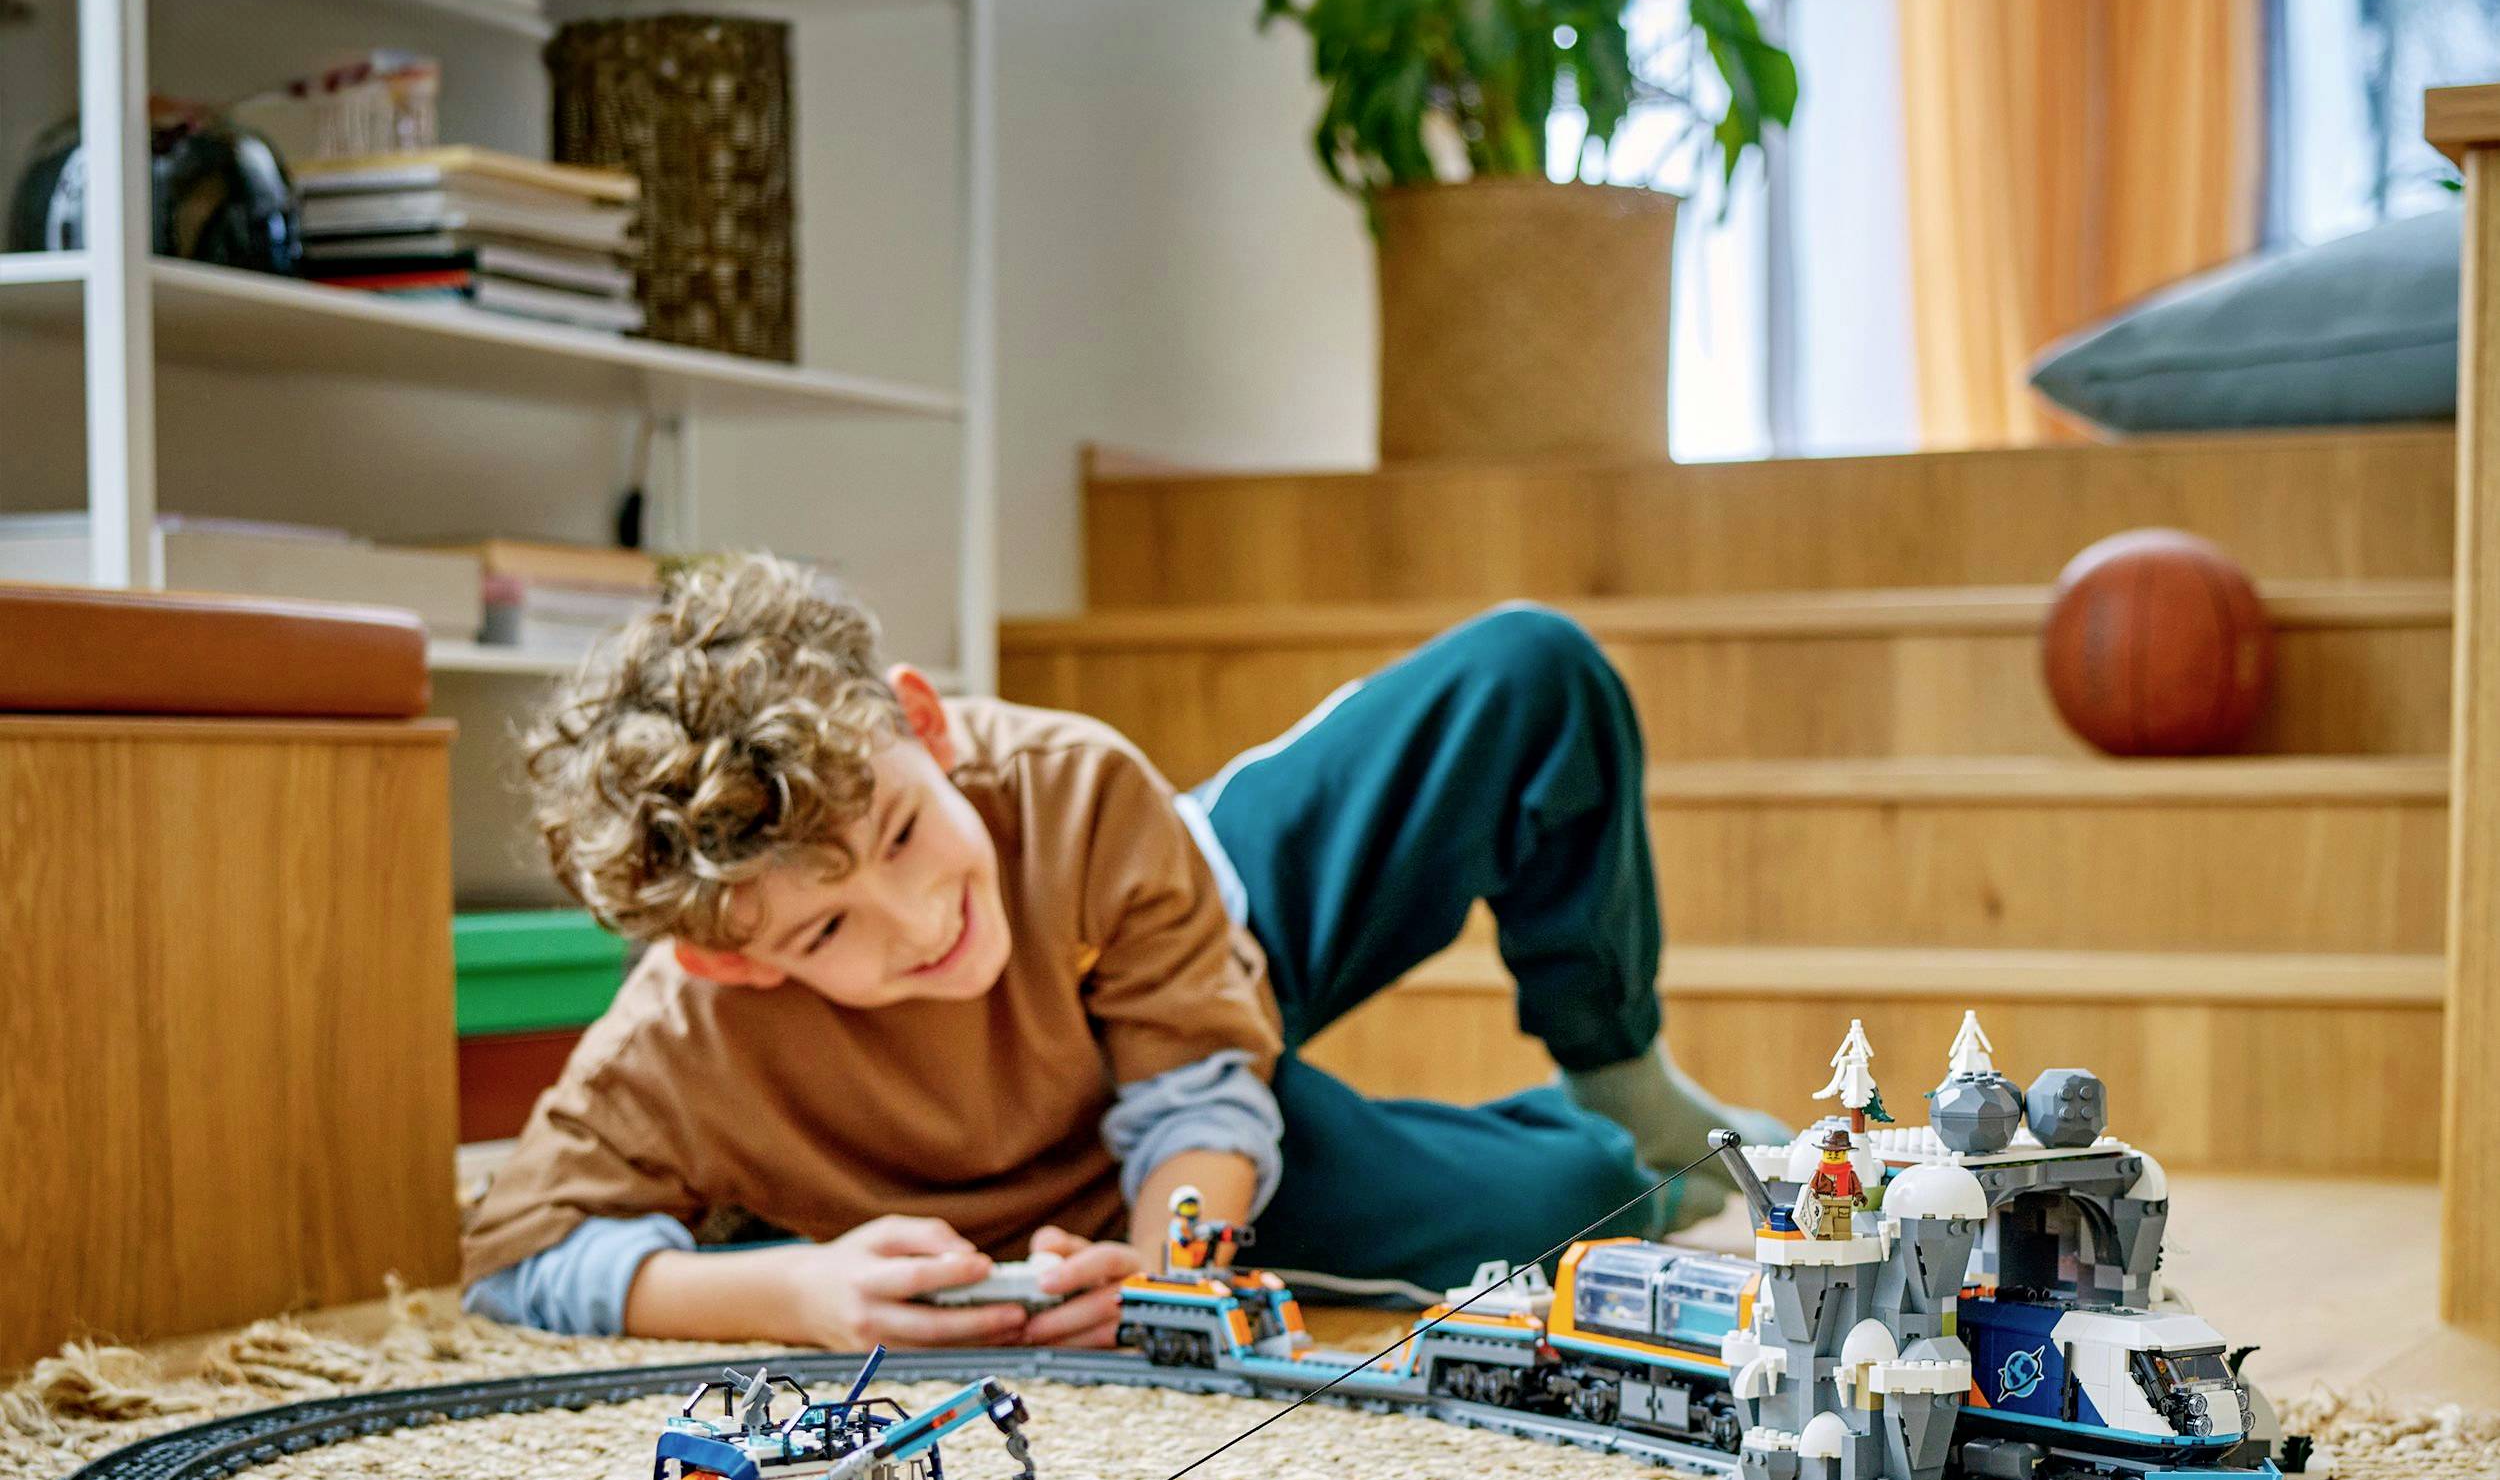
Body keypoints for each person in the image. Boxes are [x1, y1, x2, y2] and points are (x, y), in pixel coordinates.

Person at [462, 555, 1783, 1348]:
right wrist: (796, 1292)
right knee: (1581, 1198)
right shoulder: (679, 1039)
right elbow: (513, 1256)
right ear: (737, 965)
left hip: (1191, 964)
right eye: (825, 928)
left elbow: (1199, 1084)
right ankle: (1606, 1143)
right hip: (1096, 1173)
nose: (919, 923)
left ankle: (1625, 1078)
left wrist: (1167, 1278)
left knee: (1529, 673)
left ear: (925, 723)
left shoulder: (1070, 783)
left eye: (909, 833)